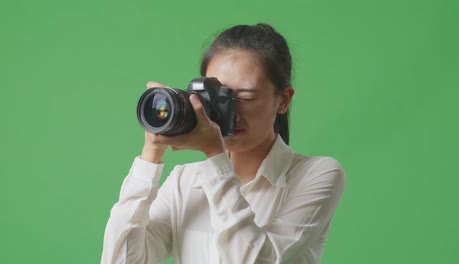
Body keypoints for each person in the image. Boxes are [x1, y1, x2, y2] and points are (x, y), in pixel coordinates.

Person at [101, 23, 345, 264]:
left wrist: (214, 153)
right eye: (218, 97)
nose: (232, 113)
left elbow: (256, 260)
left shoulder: (318, 174)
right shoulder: (184, 182)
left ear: (283, 100)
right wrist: (151, 154)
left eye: (245, 97)